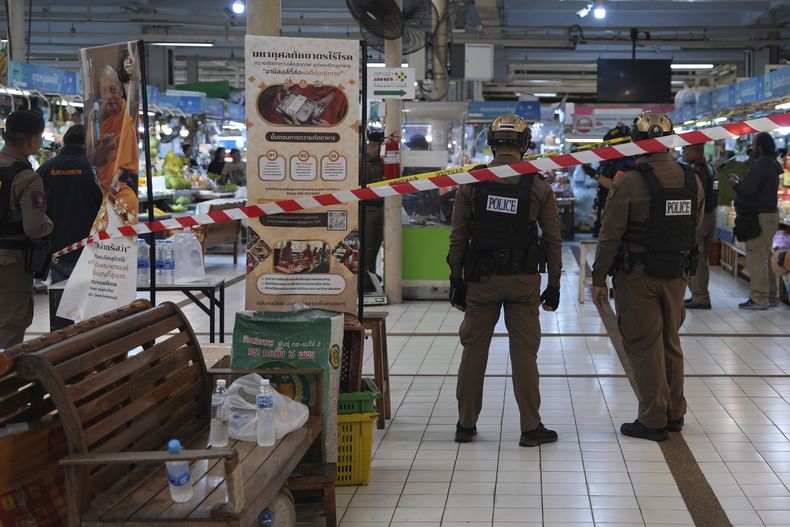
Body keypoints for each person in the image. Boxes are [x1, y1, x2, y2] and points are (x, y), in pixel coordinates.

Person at [447, 114, 563, 447]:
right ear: (525, 145)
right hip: (523, 282)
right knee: (525, 354)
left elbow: (458, 238)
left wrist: (457, 279)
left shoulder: (472, 182)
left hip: (482, 280)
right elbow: (553, 239)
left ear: (492, 145)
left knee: (473, 352)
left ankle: (466, 424)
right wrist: (553, 284)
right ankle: (530, 426)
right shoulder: (538, 185)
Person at [592, 112, 704, 442]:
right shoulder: (690, 179)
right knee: (671, 340)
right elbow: (694, 225)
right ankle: (674, 411)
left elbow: (610, 234)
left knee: (644, 344)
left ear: (637, 143)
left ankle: (652, 418)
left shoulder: (629, 181)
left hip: (637, 275)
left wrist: (599, 278)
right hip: (676, 273)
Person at [0, 110, 54, 347]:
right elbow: (35, 227)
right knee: (10, 328)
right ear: (33, 141)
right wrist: (50, 223)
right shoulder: (26, 178)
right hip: (11, 265)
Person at [39, 125, 102, 284]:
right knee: (87, 303)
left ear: (65, 142)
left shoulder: (46, 168)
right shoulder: (94, 169)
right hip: (89, 250)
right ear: (87, 144)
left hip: (56, 251)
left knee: (61, 304)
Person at [728, 133, 782, 310]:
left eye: (754, 144)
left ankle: (759, 298)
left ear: (761, 147)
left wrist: (737, 184)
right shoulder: (772, 163)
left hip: (760, 217)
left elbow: (749, 189)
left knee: (757, 257)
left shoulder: (762, 164)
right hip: (770, 216)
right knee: (765, 257)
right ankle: (772, 296)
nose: (752, 148)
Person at [92, 64, 139, 231]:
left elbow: (128, 154)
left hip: (120, 184)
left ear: (121, 91)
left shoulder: (127, 120)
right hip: (98, 188)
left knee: (127, 204)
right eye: (104, 91)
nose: (109, 95)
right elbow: (94, 161)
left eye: (113, 90)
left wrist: (115, 176)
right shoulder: (95, 120)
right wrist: (104, 148)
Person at [582, 125, 636, 236]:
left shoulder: (627, 161)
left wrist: (595, 175)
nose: (609, 146)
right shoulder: (611, 160)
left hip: (618, 210)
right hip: (605, 205)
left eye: (611, 144)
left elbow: (614, 184)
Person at [683, 143, 718, 309]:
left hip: (701, 217)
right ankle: (699, 295)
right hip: (711, 216)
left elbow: (696, 196)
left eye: (685, 150)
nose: (683, 152)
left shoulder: (696, 171)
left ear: (694, 151)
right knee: (702, 259)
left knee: (696, 258)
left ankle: (700, 297)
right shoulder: (710, 167)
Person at [363, 130, 385, 292]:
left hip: (383, 208)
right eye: (374, 146)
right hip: (367, 208)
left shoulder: (384, 162)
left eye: (379, 146)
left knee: (377, 245)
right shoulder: (362, 161)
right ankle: (364, 279)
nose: (376, 149)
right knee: (367, 245)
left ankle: (370, 275)